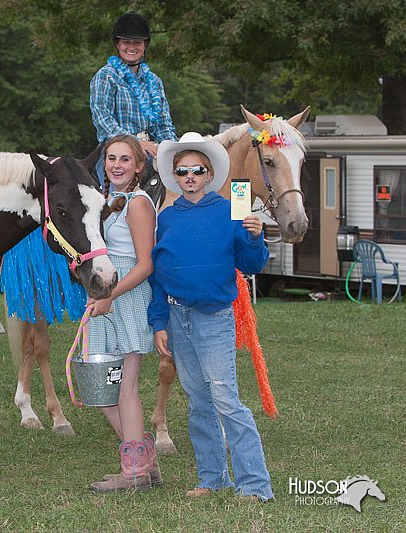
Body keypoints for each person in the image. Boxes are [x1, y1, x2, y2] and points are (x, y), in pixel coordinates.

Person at [148, 132, 274, 501]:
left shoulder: (231, 211)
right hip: (176, 317)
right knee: (198, 400)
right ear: (175, 176)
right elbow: (157, 276)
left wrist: (254, 237)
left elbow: (251, 263)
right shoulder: (166, 219)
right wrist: (159, 322)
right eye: (182, 170)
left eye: (197, 170)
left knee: (225, 399)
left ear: (208, 174)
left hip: (214, 318)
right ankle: (212, 477)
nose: (190, 176)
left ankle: (255, 484)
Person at [86, 135, 160, 493]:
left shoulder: (138, 204)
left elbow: (145, 264)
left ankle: (134, 472)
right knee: (98, 387)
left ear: (139, 166)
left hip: (126, 297)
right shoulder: (107, 202)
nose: (116, 165)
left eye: (125, 159)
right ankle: (143, 460)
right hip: (106, 297)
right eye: (111, 158)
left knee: (124, 387)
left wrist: (109, 295)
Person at [90, 11, 177, 185]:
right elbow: (103, 120)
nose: (131, 47)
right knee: (110, 201)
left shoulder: (155, 82)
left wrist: (172, 149)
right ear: (117, 44)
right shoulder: (106, 76)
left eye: (137, 42)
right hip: (117, 151)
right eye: (126, 42)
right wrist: (136, 143)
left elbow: (163, 123)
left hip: (151, 150)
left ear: (145, 45)